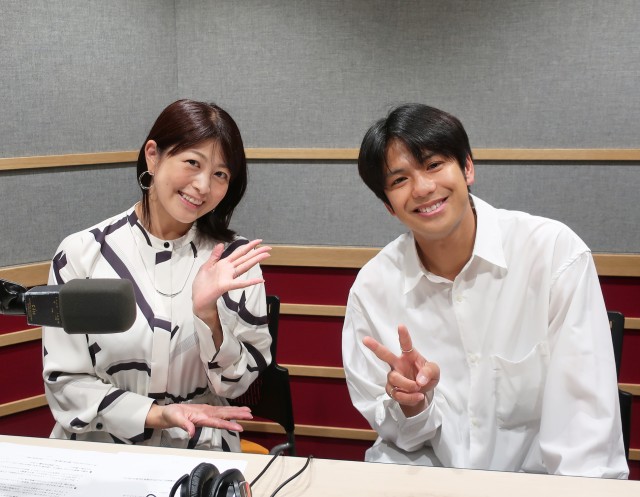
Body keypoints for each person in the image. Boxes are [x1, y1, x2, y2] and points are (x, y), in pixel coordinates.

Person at [342, 103, 629, 477]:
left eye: (434, 165)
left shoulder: (553, 255)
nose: (423, 188)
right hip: (425, 481)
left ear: (467, 168)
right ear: (389, 207)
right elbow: (398, 436)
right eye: (399, 181)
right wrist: (413, 407)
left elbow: (585, 435)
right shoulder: (372, 289)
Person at [42, 99, 272, 452]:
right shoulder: (81, 254)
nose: (203, 186)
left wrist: (208, 316)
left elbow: (237, 383)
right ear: (153, 156)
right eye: (193, 163)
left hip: (199, 449)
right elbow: (65, 382)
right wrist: (156, 414)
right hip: (101, 448)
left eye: (220, 175)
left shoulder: (235, 261)